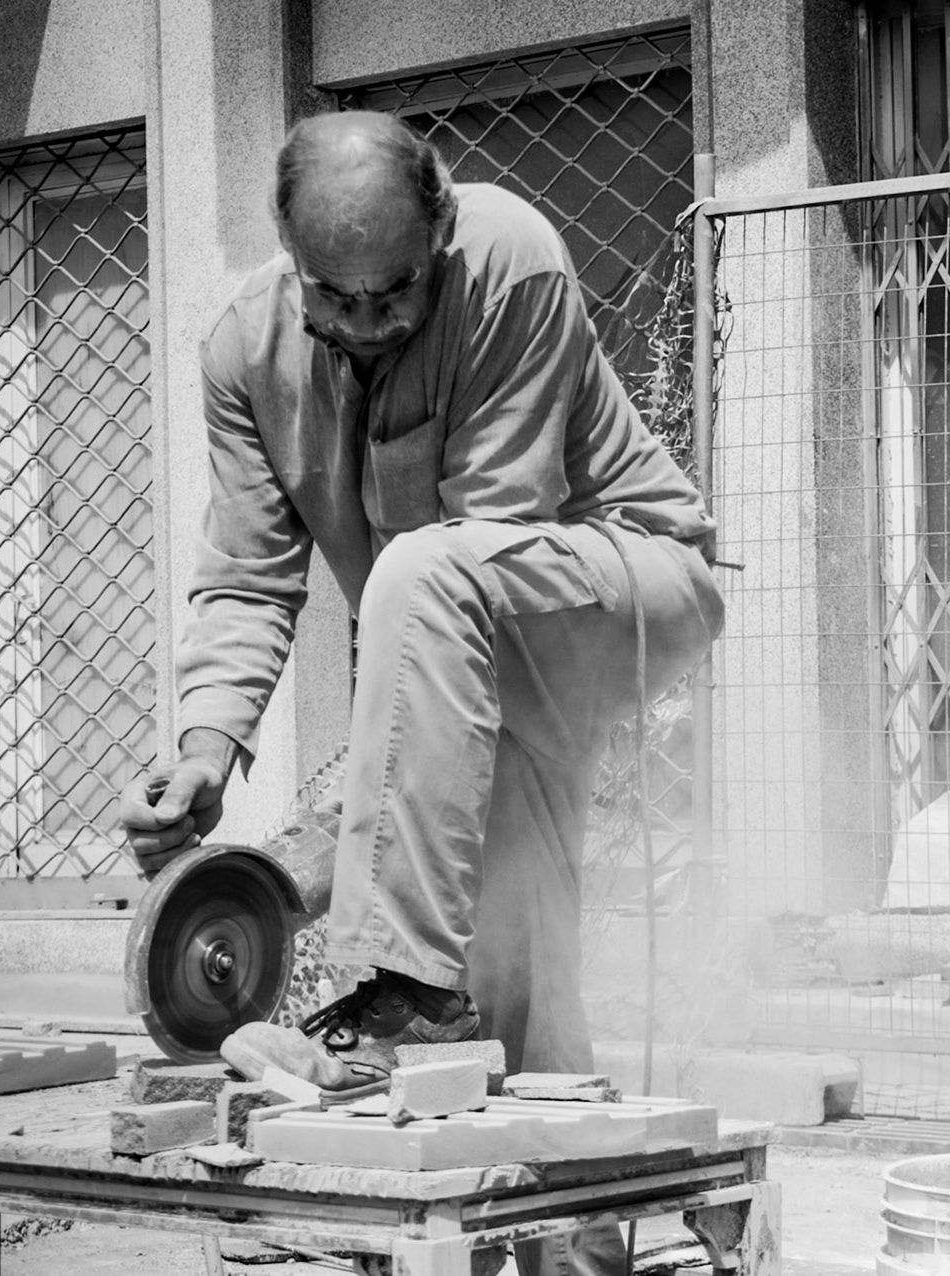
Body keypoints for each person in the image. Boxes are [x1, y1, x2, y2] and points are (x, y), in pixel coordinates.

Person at [118, 110, 722, 1276]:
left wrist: (324, 856)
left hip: (620, 581)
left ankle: (401, 990)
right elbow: (247, 576)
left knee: (431, 574)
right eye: (330, 298)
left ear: (439, 237)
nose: (361, 324)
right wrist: (205, 750)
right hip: (465, 624)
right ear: (291, 260)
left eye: (391, 294)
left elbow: (483, 542)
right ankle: (566, 1240)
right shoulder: (243, 353)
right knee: (514, 916)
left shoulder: (510, 256)